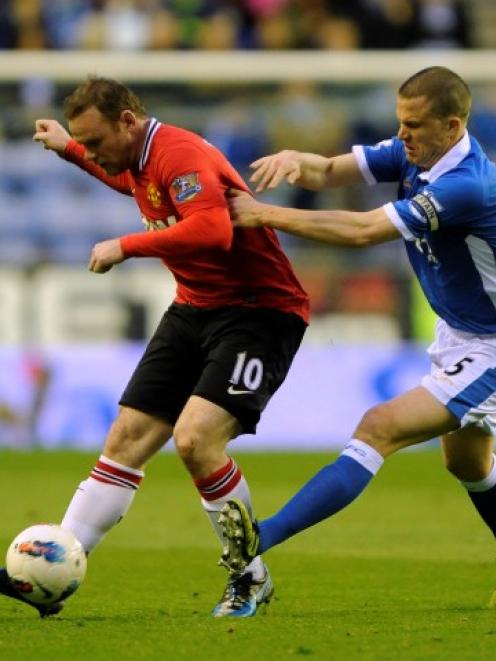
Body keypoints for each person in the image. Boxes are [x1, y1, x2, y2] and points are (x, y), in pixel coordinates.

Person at [0, 77, 309, 618]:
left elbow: (212, 231)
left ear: (127, 120)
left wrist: (126, 245)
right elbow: (125, 181)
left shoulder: (179, 154)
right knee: (125, 438)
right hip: (195, 307)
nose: (95, 153)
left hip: (260, 314)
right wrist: (70, 151)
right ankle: (51, 566)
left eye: (95, 141)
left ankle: (248, 576)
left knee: (195, 441)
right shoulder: (139, 159)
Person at [218, 67, 496, 598]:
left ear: (454, 125)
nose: (403, 134)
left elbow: (364, 230)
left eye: (414, 125)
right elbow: (326, 171)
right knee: (467, 462)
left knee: (378, 427)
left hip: (491, 344)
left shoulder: (467, 185)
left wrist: (264, 215)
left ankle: (261, 536)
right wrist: (297, 161)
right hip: (462, 332)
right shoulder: (415, 153)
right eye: (400, 122)